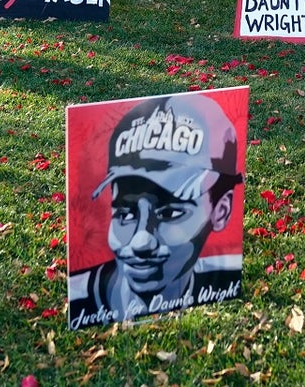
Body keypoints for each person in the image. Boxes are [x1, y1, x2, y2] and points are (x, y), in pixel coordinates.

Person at [69, 94, 243, 329]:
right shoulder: (81, 299)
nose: (141, 242)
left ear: (221, 210)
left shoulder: (224, 279)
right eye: (125, 214)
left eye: (170, 213)